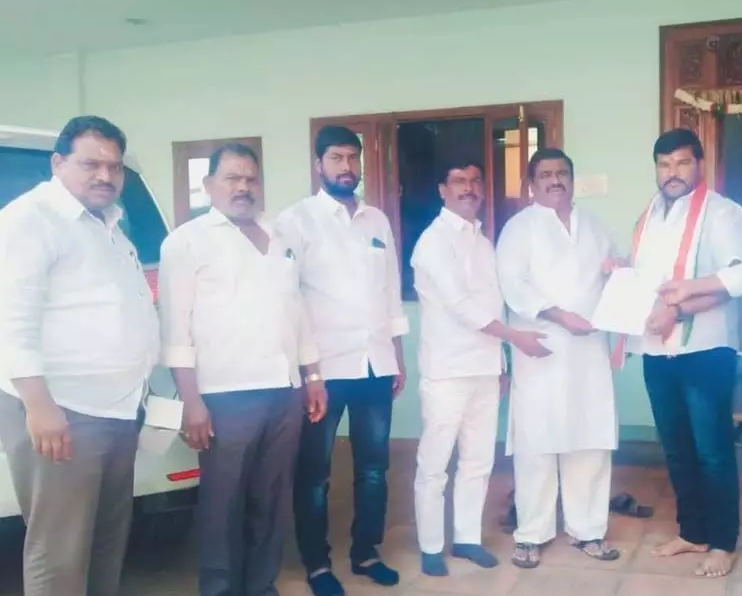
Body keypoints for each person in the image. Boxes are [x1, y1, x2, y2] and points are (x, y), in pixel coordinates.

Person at [158, 143, 329, 596]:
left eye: (251, 178)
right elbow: (176, 331)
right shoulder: (186, 241)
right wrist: (191, 401)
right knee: (222, 506)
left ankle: (261, 585)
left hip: (284, 391)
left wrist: (312, 377)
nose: (243, 186)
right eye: (232, 178)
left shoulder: (281, 239)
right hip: (223, 396)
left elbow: (299, 313)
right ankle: (219, 589)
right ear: (209, 185)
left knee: (270, 501)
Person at [0, 116, 160, 596]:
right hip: (63, 413)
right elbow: (11, 319)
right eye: (91, 163)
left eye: (114, 166)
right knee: (60, 551)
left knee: (106, 543)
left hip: (116, 410)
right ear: (58, 163)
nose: (106, 176)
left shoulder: (110, 227)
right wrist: (40, 407)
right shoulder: (30, 220)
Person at [275, 125, 409, 596]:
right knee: (315, 473)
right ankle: (316, 564)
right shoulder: (295, 222)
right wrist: (306, 371)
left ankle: (366, 552)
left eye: (352, 158)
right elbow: (288, 299)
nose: (347, 167)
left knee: (374, 468)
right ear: (319, 164)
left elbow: (390, 291)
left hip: (375, 364)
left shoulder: (377, 221)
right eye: (336, 158)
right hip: (324, 370)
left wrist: (397, 355)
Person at [410, 158, 552, 577]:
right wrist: (516, 339)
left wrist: (503, 361)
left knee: (477, 460)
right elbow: (460, 307)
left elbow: (495, 304)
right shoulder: (433, 242)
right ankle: (431, 545)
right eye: (459, 181)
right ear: (443, 189)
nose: (469, 188)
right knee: (435, 463)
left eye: (475, 181)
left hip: (486, 368)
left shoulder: (483, 241)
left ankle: (467, 537)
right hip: (447, 370)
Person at [620, 128, 742, 578]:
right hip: (657, 351)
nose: (672, 172)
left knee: (712, 449)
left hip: (705, 349)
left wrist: (677, 311)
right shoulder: (650, 216)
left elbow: (736, 280)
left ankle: (722, 541)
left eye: (681, 163)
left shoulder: (723, 214)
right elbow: (644, 281)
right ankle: (692, 531)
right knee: (676, 448)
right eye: (664, 164)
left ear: (699, 164)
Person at [496, 147, 621, 569]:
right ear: (531, 185)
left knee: (590, 438)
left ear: (572, 179)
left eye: (562, 173)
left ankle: (589, 530)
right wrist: (560, 315)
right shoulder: (519, 227)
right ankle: (531, 533)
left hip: (588, 350)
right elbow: (513, 285)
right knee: (537, 442)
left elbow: (615, 276)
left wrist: (617, 271)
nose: (555, 180)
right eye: (545, 174)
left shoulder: (595, 225)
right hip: (542, 346)